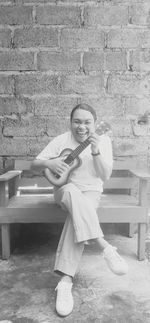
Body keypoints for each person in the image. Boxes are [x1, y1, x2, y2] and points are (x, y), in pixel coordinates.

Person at [31, 103, 128, 317]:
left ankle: (65, 282)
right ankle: (104, 246)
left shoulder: (103, 141)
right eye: (77, 121)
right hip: (63, 190)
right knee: (71, 191)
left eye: (87, 122)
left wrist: (95, 151)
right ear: (70, 122)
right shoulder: (61, 141)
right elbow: (34, 165)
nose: (81, 126)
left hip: (90, 194)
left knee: (77, 218)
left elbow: (104, 176)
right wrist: (53, 162)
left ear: (95, 124)